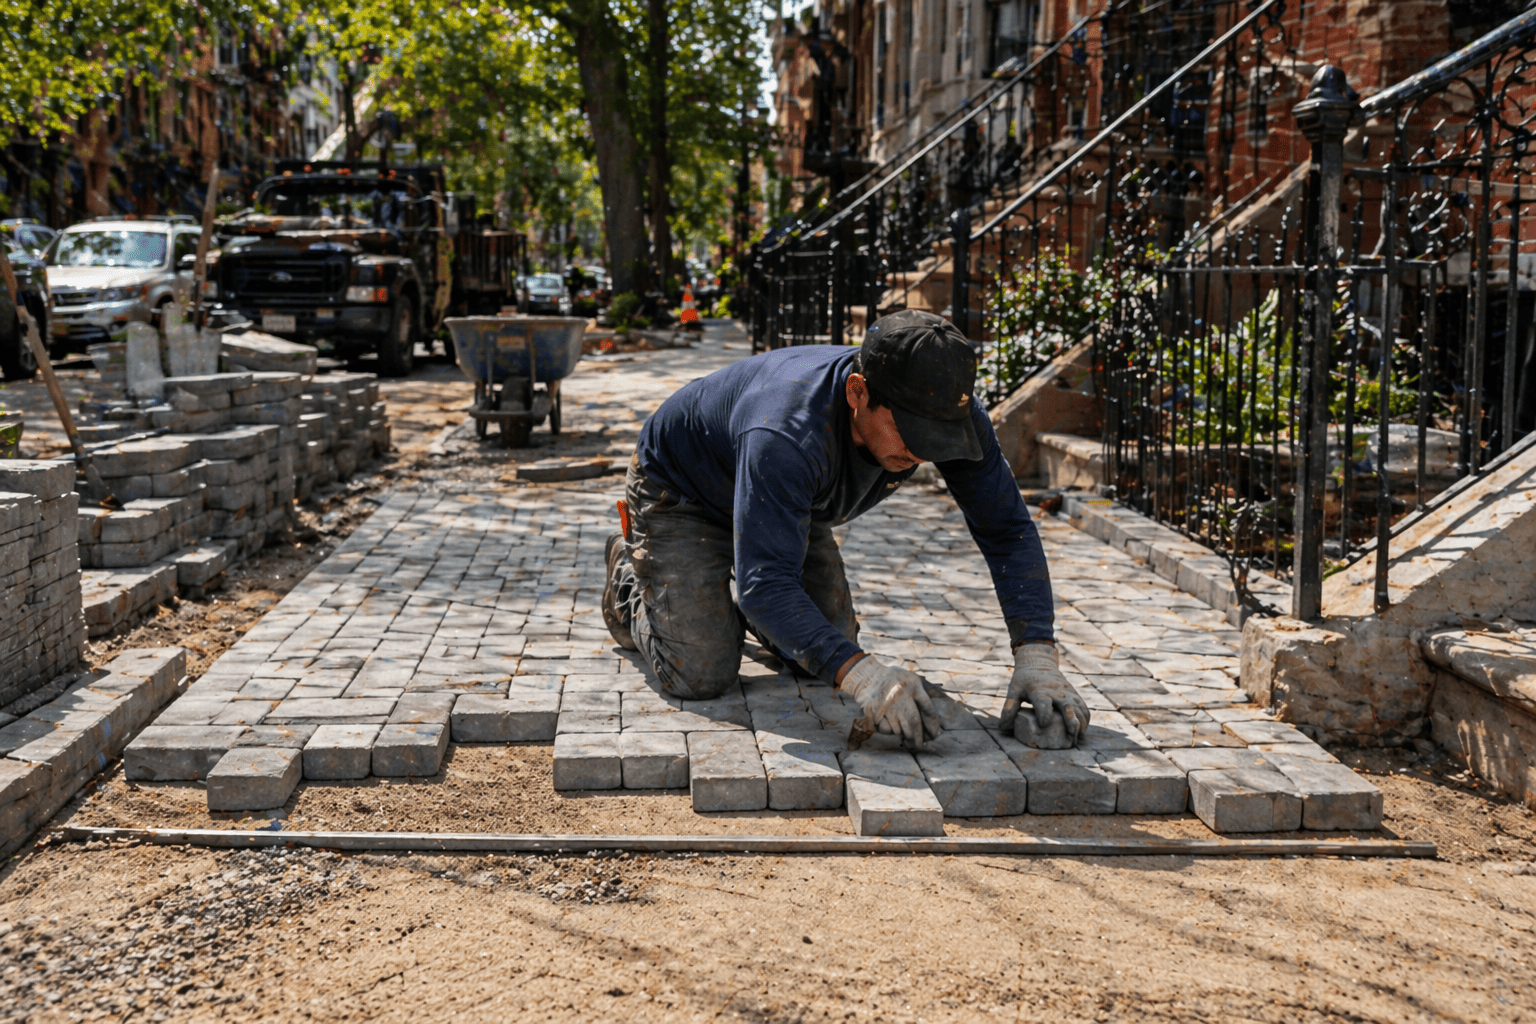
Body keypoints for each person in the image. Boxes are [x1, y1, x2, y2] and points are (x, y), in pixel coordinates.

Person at [602, 310, 1089, 747]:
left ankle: (734, 594)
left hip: (786, 501)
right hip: (682, 490)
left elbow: (1006, 529)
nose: (922, 453)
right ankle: (629, 582)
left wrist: (1037, 654)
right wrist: (867, 679)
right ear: (858, 392)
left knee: (823, 645)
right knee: (702, 673)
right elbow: (766, 584)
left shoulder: (946, 408)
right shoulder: (787, 431)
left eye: (934, 439)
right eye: (911, 435)